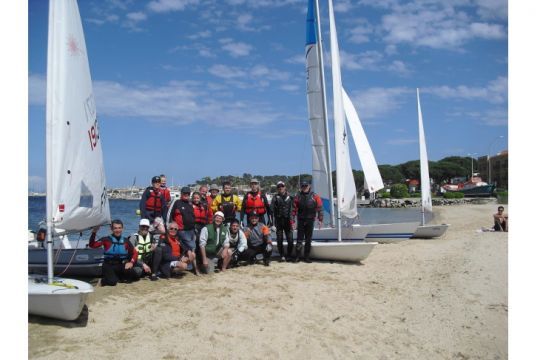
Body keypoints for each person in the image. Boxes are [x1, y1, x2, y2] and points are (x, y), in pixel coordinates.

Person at [89, 220, 139, 286]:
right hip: (108, 265)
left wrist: (131, 262)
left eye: (119, 228)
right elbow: (92, 245)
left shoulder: (126, 241)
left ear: (122, 228)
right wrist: (94, 232)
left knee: (135, 277)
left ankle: (118, 277)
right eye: (115, 228)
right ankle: (102, 280)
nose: (118, 230)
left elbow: (135, 253)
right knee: (112, 282)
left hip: (120, 264)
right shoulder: (106, 239)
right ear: (111, 229)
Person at [168, 187, 199, 275]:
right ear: (181, 194)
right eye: (184, 193)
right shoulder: (176, 202)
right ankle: (195, 269)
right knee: (191, 250)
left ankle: (189, 267)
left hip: (191, 230)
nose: (186, 195)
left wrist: (195, 228)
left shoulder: (189, 204)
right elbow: (169, 214)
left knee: (191, 250)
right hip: (181, 231)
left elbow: (192, 217)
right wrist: (170, 227)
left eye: (188, 194)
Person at [291, 180, 323, 263]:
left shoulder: (315, 196)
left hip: (310, 220)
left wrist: (320, 220)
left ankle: (307, 257)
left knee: (308, 240)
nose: (304, 187)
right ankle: (297, 257)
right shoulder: (297, 196)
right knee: (299, 239)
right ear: (301, 187)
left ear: (309, 186)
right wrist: (292, 221)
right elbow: (293, 210)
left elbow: (320, 208)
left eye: (306, 186)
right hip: (301, 220)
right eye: (303, 186)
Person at [271, 180, 294, 262]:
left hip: (288, 221)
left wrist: (293, 221)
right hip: (278, 222)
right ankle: (282, 255)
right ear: (277, 188)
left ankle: (289, 255)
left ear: (285, 187)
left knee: (290, 239)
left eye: (282, 186)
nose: (280, 188)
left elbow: (294, 210)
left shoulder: (290, 197)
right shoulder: (275, 198)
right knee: (279, 240)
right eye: (279, 187)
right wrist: (272, 224)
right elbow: (271, 211)